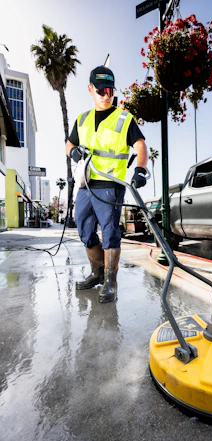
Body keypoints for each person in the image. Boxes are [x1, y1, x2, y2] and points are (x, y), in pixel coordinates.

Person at [66, 65, 148, 303]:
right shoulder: (82, 119)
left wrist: (141, 169)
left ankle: (111, 281)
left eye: (110, 90)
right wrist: (73, 153)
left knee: (110, 233)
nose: (106, 95)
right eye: (100, 90)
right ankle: (97, 273)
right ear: (90, 89)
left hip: (110, 185)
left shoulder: (124, 118)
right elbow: (69, 144)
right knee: (84, 230)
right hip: (86, 185)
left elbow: (141, 146)